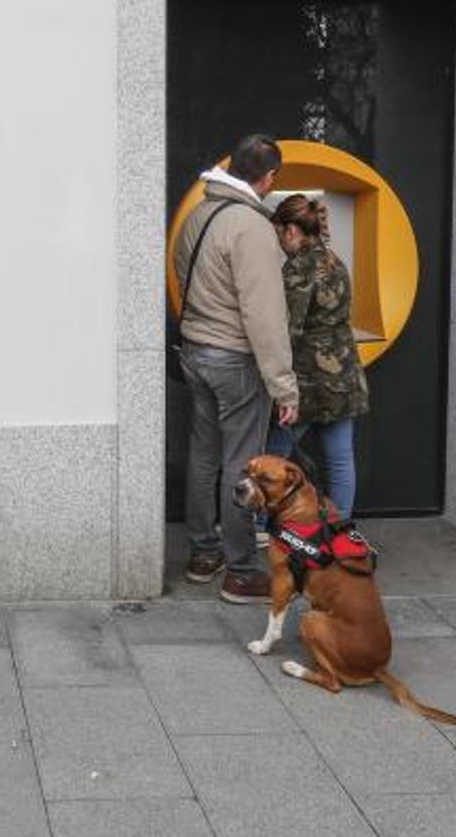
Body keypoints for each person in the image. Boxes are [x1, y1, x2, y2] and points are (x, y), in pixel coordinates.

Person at [174, 134, 299, 604]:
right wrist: (284, 386)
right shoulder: (250, 227)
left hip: (196, 350)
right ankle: (242, 572)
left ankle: (204, 555)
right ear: (268, 178)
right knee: (243, 464)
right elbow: (264, 314)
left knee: (204, 455)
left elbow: (186, 277)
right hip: (234, 359)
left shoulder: (200, 214)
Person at [266, 194, 369, 516]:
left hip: (308, 379)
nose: (279, 241)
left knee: (275, 455)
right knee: (339, 458)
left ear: (291, 231)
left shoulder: (299, 268)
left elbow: (289, 330)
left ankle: (256, 524)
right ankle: (340, 529)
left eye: (278, 233)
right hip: (343, 374)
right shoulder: (334, 260)